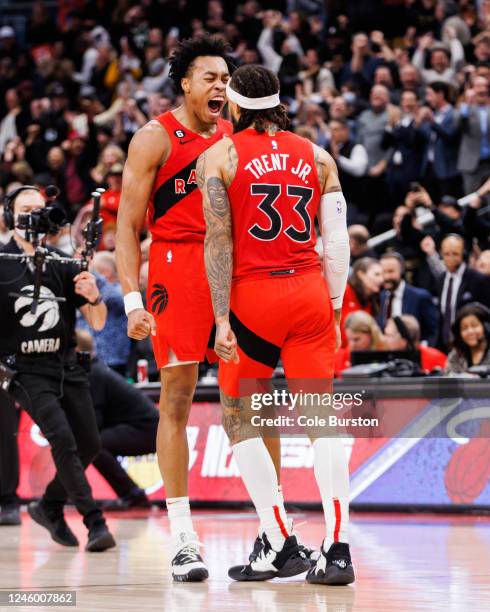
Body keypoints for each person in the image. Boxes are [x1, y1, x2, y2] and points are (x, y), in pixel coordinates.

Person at [198, 64, 354, 585]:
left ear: (236, 106)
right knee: (322, 422)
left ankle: (281, 536)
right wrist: (332, 307)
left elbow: (218, 243)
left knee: (241, 418)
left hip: (252, 300)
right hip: (309, 292)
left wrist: (221, 319)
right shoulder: (319, 155)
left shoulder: (219, 156)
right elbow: (337, 243)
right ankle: (338, 550)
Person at [115, 36, 237, 582]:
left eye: (225, 78)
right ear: (184, 82)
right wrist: (132, 299)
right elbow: (126, 225)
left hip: (233, 267)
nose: (220, 85)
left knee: (248, 396)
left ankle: (272, 527)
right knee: (177, 398)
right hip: (176, 264)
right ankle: (183, 536)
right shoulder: (153, 137)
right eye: (209, 77)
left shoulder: (239, 132)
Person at [0, 185, 115, 551]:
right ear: (9, 216)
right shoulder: (1, 262)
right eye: (26, 208)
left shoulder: (62, 262)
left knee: (89, 444)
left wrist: (94, 294)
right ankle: (94, 521)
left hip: (66, 364)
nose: (35, 214)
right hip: (23, 370)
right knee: (62, 439)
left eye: (40, 207)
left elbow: (96, 322)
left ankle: (49, 506)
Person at [76, 330, 158, 509]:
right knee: (92, 444)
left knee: (94, 445)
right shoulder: (93, 368)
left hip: (148, 430)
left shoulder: (93, 373)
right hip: (141, 427)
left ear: (76, 351)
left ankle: (133, 496)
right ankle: (131, 495)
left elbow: (94, 422)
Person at [433, 234, 490, 351]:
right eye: (446, 254)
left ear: (463, 253)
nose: (450, 258)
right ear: (441, 254)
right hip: (445, 344)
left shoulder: (478, 279)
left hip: (471, 344)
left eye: (455, 254)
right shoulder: (440, 280)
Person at [379, 252, 439, 346]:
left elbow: (433, 331)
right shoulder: (381, 297)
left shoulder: (420, 296)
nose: (386, 277)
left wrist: (422, 349)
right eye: (383, 272)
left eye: (391, 272)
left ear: (401, 271)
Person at [341, 257, 383, 346]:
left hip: (361, 352)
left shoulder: (372, 299)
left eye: (382, 275)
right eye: (377, 274)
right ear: (361, 274)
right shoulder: (343, 292)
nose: (381, 279)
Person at [335, 311, 385, 376]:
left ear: (371, 334)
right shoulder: (338, 357)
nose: (352, 345)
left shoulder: (384, 355)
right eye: (349, 339)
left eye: (356, 339)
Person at [445, 303, 490, 373]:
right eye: (464, 328)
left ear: (487, 327)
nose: (470, 332)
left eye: (474, 325)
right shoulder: (456, 355)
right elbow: (449, 380)